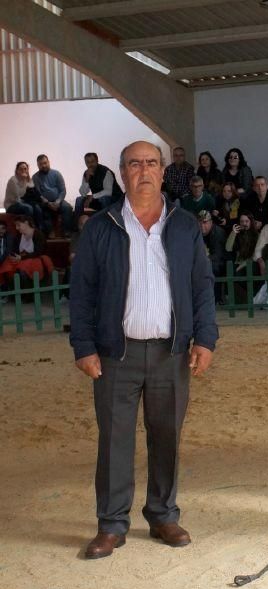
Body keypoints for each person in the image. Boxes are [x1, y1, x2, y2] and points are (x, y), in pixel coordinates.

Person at [69, 140, 217, 560]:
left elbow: (202, 285)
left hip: (171, 352)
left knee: (166, 435)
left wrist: (205, 338)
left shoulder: (184, 225)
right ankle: (112, 525)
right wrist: (83, 346)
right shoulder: (101, 227)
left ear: (163, 171)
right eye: (134, 164)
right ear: (122, 172)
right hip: (115, 354)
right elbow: (81, 294)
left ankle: (162, 514)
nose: (144, 171)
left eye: (151, 163)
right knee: (114, 440)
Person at [0, 215, 48, 288]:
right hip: (21, 259)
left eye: (18, 225)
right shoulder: (19, 236)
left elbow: (39, 252)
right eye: (16, 225)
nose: (17, 228)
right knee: (7, 266)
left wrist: (21, 258)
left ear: (26, 223)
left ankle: (28, 295)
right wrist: (13, 256)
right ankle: (10, 291)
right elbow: (15, 250)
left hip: (35, 259)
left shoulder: (38, 234)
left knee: (22, 271)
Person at [33, 154, 73, 235]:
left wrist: (57, 202)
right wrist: (48, 203)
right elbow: (38, 194)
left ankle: (66, 231)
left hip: (58, 201)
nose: (43, 166)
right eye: (41, 164)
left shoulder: (57, 174)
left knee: (67, 208)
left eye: (45, 163)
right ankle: (50, 232)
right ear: (38, 165)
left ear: (48, 162)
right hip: (44, 203)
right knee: (43, 211)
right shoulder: (35, 177)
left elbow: (63, 190)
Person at [76, 152, 124, 218]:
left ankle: (106, 222)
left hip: (115, 199)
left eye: (92, 161)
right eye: (88, 162)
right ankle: (79, 224)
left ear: (97, 160)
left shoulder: (106, 172)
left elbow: (108, 192)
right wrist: (87, 180)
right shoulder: (87, 173)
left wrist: (92, 196)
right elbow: (83, 193)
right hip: (98, 198)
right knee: (79, 199)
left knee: (104, 199)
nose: (90, 164)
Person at [198, 210, 226, 304]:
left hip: (221, 263)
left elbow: (218, 255)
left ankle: (216, 298)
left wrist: (202, 261)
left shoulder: (218, 233)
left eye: (205, 222)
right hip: (204, 261)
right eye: (200, 222)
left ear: (211, 222)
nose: (202, 225)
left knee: (212, 268)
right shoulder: (196, 233)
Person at [4, 162, 42, 229]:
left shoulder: (27, 179)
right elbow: (17, 197)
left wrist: (26, 180)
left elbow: (33, 191)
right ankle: (29, 228)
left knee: (37, 208)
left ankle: (39, 230)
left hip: (22, 202)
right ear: (17, 171)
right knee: (28, 208)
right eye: (21, 169)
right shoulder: (13, 180)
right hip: (11, 205)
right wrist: (24, 182)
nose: (23, 170)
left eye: (25, 169)